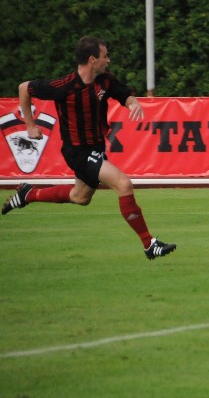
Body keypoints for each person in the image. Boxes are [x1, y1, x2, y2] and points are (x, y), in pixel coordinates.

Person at [2, 36, 176, 260]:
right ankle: (149, 244)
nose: (109, 60)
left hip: (96, 148)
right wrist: (30, 125)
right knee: (123, 183)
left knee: (80, 196)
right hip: (78, 153)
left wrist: (134, 103)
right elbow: (24, 88)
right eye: (105, 56)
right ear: (92, 59)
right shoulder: (64, 86)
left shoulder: (104, 81)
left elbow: (125, 95)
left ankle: (28, 195)